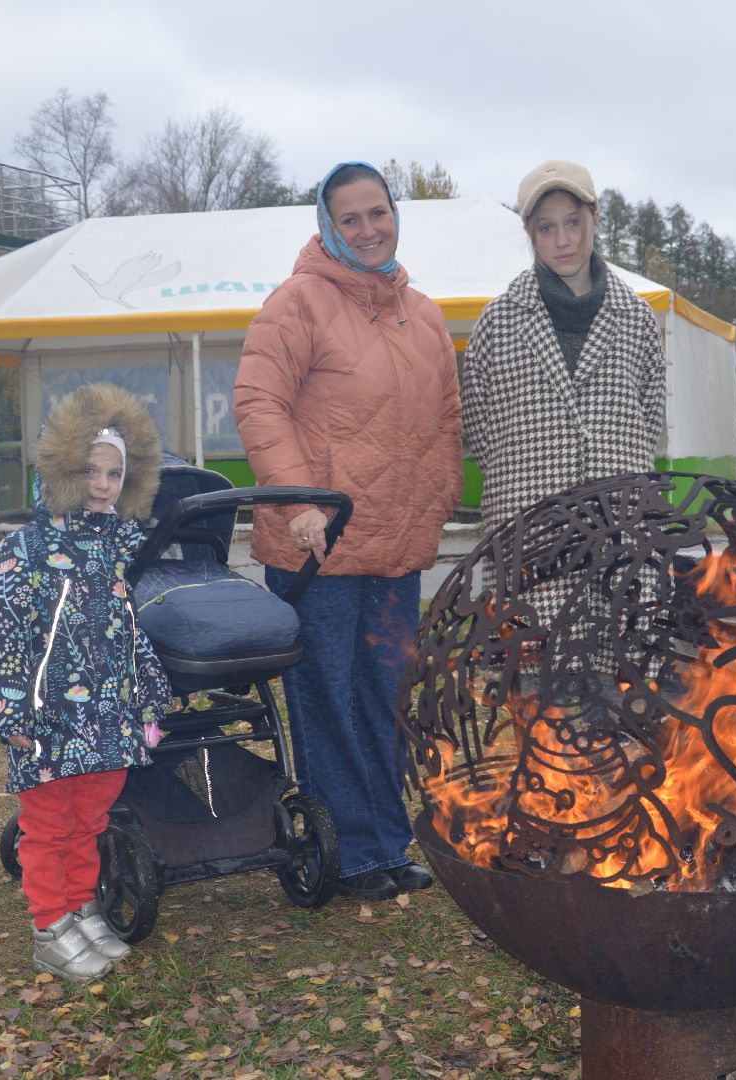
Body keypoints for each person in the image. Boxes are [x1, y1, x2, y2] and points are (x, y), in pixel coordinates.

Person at [234, 161, 462, 902]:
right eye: (351, 218)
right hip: (320, 549)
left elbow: (445, 419)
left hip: (395, 548)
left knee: (386, 695)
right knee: (327, 698)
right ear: (329, 226)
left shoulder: (422, 314)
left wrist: (441, 496)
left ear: (396, 215)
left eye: (378, 213)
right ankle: (350, 853)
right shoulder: (297, 302)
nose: (368, 229)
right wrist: (297, 501)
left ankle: (387, 841)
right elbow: (259, 403)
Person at [0, 382, 173, 980]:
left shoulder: (121, 547)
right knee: (47, 825)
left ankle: (80, 909)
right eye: (90, 470)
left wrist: (149, 697)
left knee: (90, 820)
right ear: (64, 467)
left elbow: (131, 626)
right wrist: (12, 714)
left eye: (115, 474)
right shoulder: (25, 549)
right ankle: (49, 928)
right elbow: (5, 635)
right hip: (48, 717)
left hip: (108, 714)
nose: (101, 485)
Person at [461, 160, 666, 530]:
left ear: (595, 219)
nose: (563, 240)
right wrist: (530, 478)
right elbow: (481, 434)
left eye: (573, 221)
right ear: (529, 232)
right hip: (529, 536)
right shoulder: (497, 322)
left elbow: (648, 423)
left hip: (621, 532)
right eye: (546, 227)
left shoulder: (637, 318)